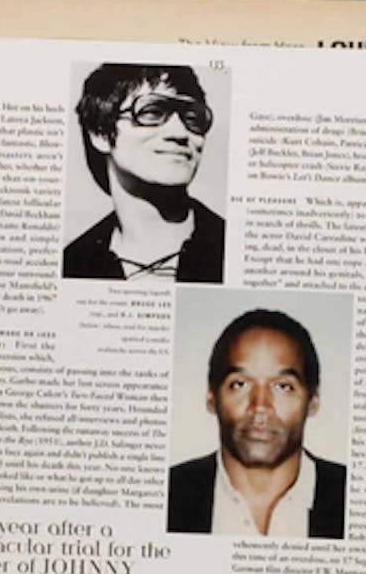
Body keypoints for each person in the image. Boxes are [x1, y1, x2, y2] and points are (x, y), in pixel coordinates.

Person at [168, 309, 346, 539]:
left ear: (313, 401)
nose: (260, 406)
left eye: (283, 386)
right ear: (211, 397)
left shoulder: (353, 495)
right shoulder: (167, 493)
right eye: (240, 384)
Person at [63, 63, 225, 282]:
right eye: (152, 112)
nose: (180, 132)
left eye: (191, 117)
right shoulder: (73, 265)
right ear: (100, 133)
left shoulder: (231, 245)